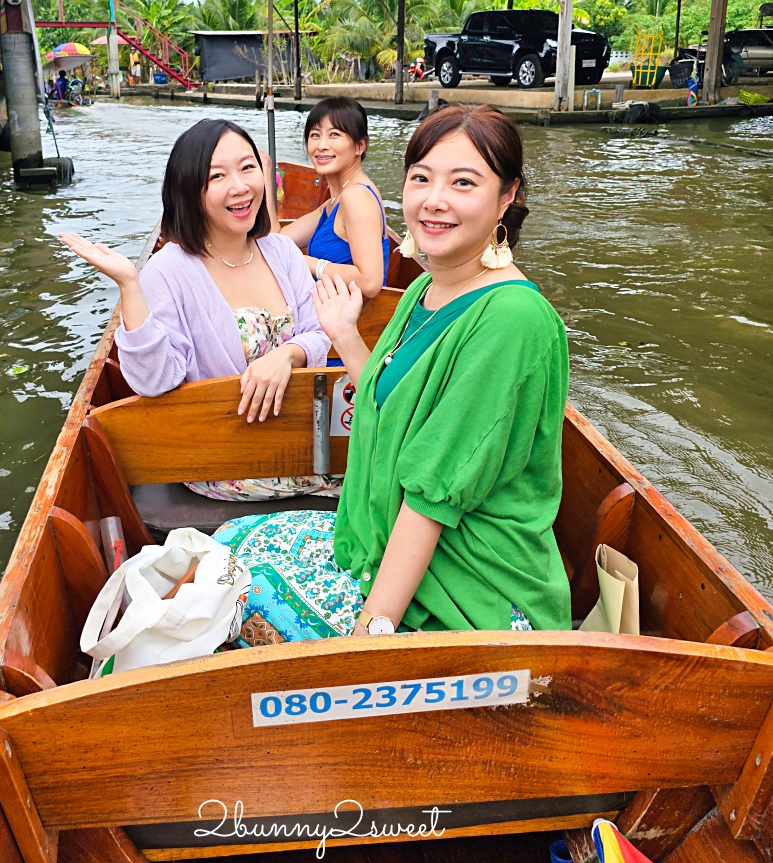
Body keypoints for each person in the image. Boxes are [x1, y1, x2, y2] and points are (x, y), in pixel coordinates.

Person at [214, 104, 571, 646]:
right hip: (393, 540)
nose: (434, 200)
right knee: (229, 541)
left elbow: (433, 496)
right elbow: (385, 401)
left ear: (506, 196)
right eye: (421, 178)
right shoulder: (431, 287)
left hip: (469, 589)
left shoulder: (511, 322)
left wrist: (370, 641)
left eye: (463, 182)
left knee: (236, 594)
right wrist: (344, 335)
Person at [58, 119, 337, 502]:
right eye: (217, 176)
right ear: (189, 190)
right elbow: (156, 381)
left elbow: (322, 330)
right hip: (223, 460)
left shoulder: (282, 251)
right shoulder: (168, 270)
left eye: (247, 167)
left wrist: (289, 355)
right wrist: (129, 284)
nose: (240, 187)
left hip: (301, 439)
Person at [275, 97, 389, 300]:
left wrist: (305, 262)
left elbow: (370, 282)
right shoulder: (333, 202)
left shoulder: (357, 196)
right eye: (315, 135)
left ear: (359, 146)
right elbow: (279, 239)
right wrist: (266, 174)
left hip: (351, 323)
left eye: (334, 134)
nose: (321, 145)